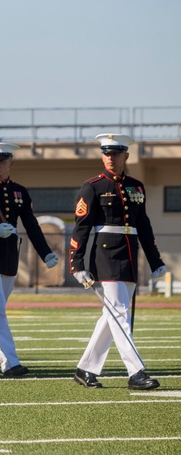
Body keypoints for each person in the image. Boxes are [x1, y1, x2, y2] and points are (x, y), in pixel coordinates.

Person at [70, 134, 164, 390]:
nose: (111, 158)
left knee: (111, 315)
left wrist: (155, 260)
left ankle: (85, 368)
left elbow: (143, 225)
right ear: (102, 156)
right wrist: (77, 264)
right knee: (120, 313)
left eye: (116, 153)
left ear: (126, 156)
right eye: (107, 153)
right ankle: (136, 372)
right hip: (105, 256)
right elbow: (81, 227)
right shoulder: (93, 186)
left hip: (129, 255)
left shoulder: (136, 186)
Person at [0, 142, 58, 376]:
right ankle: (10, 362)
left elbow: (32, 226)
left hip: (9, 258)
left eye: (2, 160)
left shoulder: (19, 192)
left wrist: (45, 252)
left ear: (11, 162)